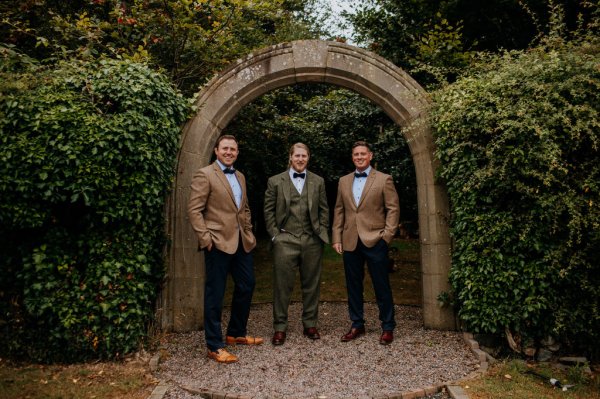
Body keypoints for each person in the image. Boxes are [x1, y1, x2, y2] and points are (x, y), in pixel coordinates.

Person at [188, 134, 263, 364]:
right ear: (216, 151)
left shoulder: (239, 175)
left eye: (233, 149)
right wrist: (206, 239)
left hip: (241, 242)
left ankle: (235, 333)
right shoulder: (205, 174)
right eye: (225, 148)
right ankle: (214, 345)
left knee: (247, 284)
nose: (229, 152)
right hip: (217, 243)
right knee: (215, 294)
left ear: (237, 152)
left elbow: (245, 208)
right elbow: (194, 210)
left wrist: (248, 231)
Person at [332, 141, 400, 345]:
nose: (359, 157)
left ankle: (387, 326)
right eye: (356, 154)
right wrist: (337, 237)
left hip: (375, 239)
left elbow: (393, 209)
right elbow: (339, 210)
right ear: (352, 157)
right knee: (353, 285)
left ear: (370, 155)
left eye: (363, 153)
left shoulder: (384, 179)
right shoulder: (344, 181)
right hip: (350, 240)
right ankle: (357, 324)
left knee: (381, 285)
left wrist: (386, 236)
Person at [264, 143, 330, 345]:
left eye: (304, 156)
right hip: (285, 239)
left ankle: (310, 323)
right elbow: (268, 211)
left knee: (311, 285)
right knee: (282, 286)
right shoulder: (275, 181)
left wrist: (322, 233)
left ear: (308, 158)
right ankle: (280, 327)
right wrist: (275, 235)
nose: (301, 159)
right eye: (297, 156)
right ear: (290, 157)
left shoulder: (317, 181)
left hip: (311, 240)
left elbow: (323, 209)